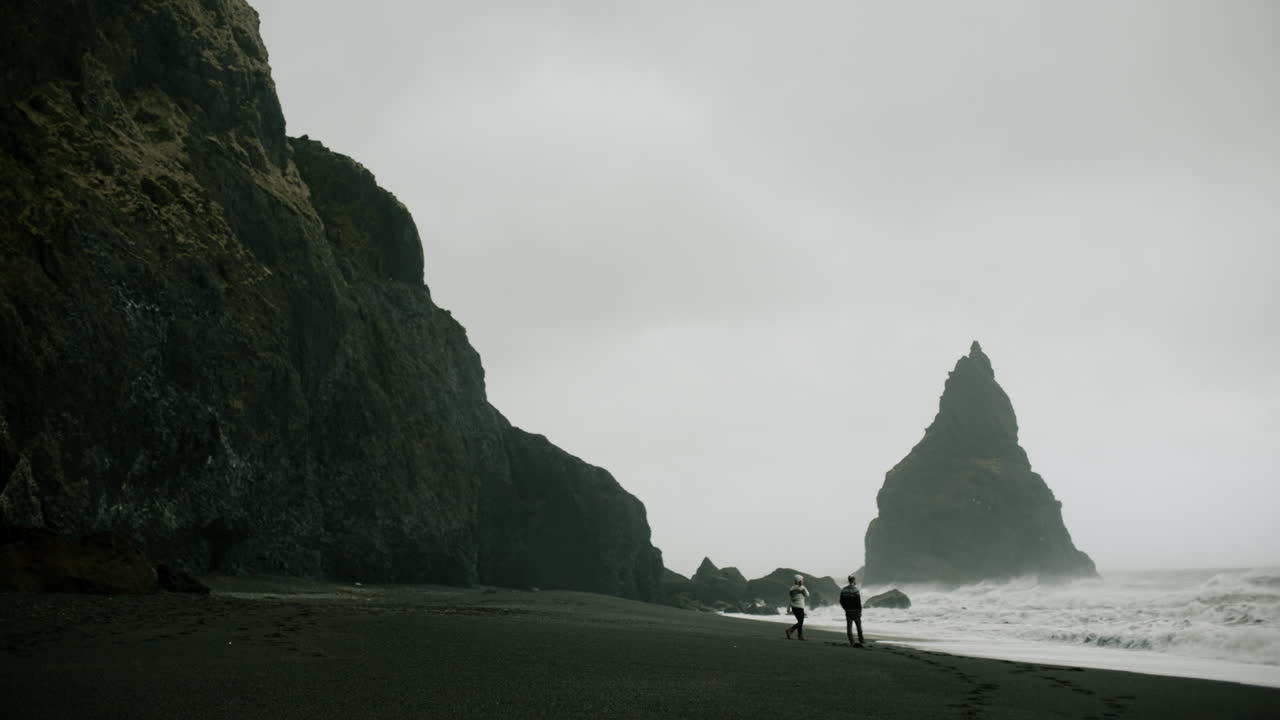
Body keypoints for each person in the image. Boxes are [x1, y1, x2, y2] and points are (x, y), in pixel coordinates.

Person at [840, 574, 864, 647]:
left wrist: (845, 608)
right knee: (858, 626)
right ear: (853, 580)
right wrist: (860, 611)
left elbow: (841, 601)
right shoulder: (856, 590)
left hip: (848, 611)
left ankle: (851, 641)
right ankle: (861, 640)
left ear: (848, 580)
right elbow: (858, 601)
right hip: (856, 610)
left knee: (849, 627)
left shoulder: (844, 590)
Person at [785, 574, 809, 640]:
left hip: (793, 607)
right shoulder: (802, 588)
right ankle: (790, 630)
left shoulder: (791, 588)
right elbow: (807, 595)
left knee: (799, 622)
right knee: (800, 622)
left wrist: (788, 607)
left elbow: (791, 598)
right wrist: (803, 590)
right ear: (799, 580)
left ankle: (800, 636)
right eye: (802, 580)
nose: (803, 581)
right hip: (800, 607)